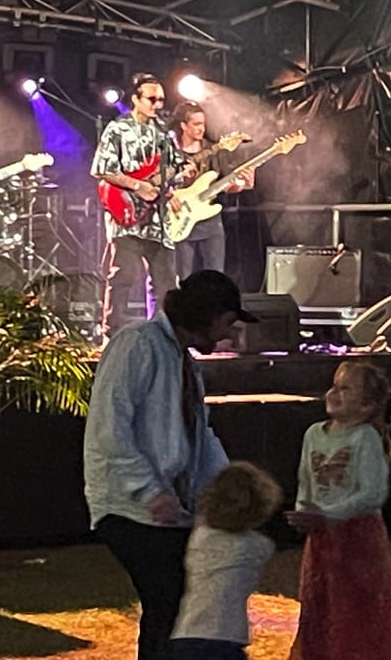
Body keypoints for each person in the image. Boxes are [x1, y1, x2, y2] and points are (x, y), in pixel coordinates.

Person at [83, 269, 256, 660]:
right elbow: (110, 429)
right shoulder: (137, 345)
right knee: (170, 604)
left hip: (166, 507)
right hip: (128, 506)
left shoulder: (182, 361)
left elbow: (200, 436)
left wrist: (229, 486)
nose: (230, 335)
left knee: (174, 608)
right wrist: (149, 490)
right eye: (228, 323)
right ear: (205, 316)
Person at [285, 360, 391, 660]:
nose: (335, 393)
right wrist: (305, 511)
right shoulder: (314, 433)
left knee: (354, 609)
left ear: (366, 406)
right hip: (322, 538)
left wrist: (329, 515)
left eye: (346, 389)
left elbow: (372, 494)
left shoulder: (365, 438)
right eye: (334, 386)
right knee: (320, 603)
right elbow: (305, 479)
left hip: (357, 540)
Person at [91, 72, 187, 341]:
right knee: (124, 277)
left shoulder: (163, 135)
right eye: (152, 99)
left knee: (167, 284)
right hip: (126, 217)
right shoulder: (117, 130)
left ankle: (164, 337)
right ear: (135, 99)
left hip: (158, 221)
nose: (157, 104)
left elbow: (172, 172)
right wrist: (138, 186)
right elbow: (102, 170)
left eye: (161, 100)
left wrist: (175, 183)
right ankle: (113, 337)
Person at [170, 461, 282, 660]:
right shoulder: (258, 546)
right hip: (227, 636)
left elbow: (202, 520)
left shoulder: (200, 538)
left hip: (186, 635)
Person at [170, 101, 253, 280]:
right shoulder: (171, 153)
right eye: (196, 124)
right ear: (183, 126)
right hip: (180, 220)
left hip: (211, 222)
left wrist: (242, 184)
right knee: (180, 277)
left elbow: (228, 184)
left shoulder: (215, 151)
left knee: (215, 276)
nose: (201, 128)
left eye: (203, 124)